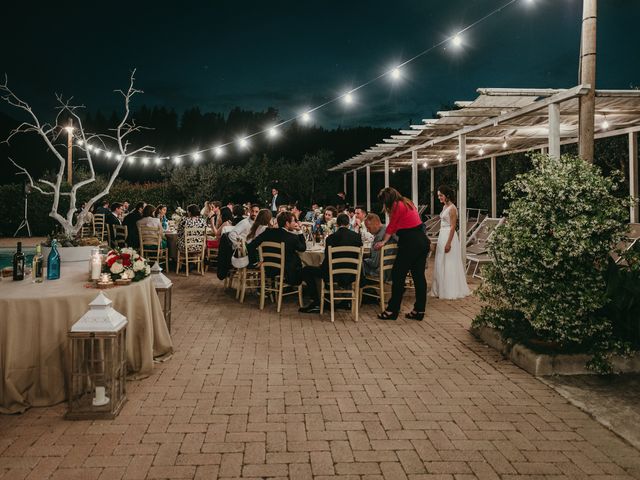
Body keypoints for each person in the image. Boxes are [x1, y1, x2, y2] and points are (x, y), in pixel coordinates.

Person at [374, 187, 429, 321]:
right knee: (419, 277)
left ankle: (392, 310)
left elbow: (392, 226)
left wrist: (383, 242)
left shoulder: (396, 205)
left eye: (384, 202)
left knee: (397, 275)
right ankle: (419, 310)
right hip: (422, 240)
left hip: (410, 242)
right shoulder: (407, 202)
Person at [299, 213, 362, 313]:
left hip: (334, 274)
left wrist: (321, 266)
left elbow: (328, 259)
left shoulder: (331, 238)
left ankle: (316, 302)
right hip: (352, 274)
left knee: (306, 270)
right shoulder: (357, 237)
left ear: (337, 224)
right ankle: (347, 301)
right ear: (348, 223)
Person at [430, 185, 471, 299]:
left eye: (441, 195)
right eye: (438, 196)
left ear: (447, 195)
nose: (439, 198)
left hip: (449, 236)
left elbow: (453, 227)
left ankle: (450, 290)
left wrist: (448, 243)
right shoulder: (445, 207)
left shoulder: (452, 208)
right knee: (440, 261)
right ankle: (439, 288)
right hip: (442, 235)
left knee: (449, 262)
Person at [247, 211, 306, 286]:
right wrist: (300, 231)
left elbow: (250, 246)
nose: (295, 223)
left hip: (268, 269)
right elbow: (303, 248)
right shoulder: (292, 237)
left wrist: (255, 262)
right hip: (286, 271)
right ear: (287, 224)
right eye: (294, 221)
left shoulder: (268, 232)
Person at [362, 213, 395, 281]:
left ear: (376, 224)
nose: (368, 230)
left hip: (382, 273)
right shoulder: (387, 231)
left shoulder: (379, 237)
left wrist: (363, 259)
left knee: (358, 264)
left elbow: (374, 263)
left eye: (368, 227)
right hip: (394, 270)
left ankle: (365, 289)